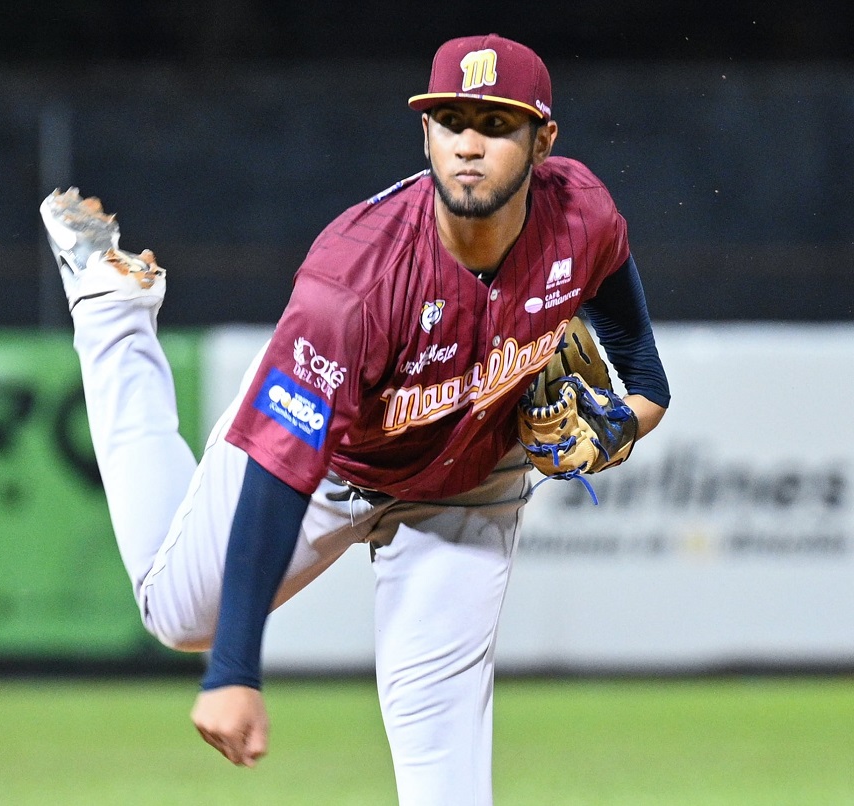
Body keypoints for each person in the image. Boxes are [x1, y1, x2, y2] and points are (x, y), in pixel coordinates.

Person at [40, 32, 670, 806]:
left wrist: (613, 432)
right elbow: (280, 473)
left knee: (444, 763)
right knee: (179, 618)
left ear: (543, 142)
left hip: (468, 486)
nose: (469, 145)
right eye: (450, 121)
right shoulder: (355, 279)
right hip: (332, 459)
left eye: (496, 124)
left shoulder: (582, 216)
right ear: (425, 132)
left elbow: (646, 380)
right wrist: (234, 668)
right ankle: (113, 311)